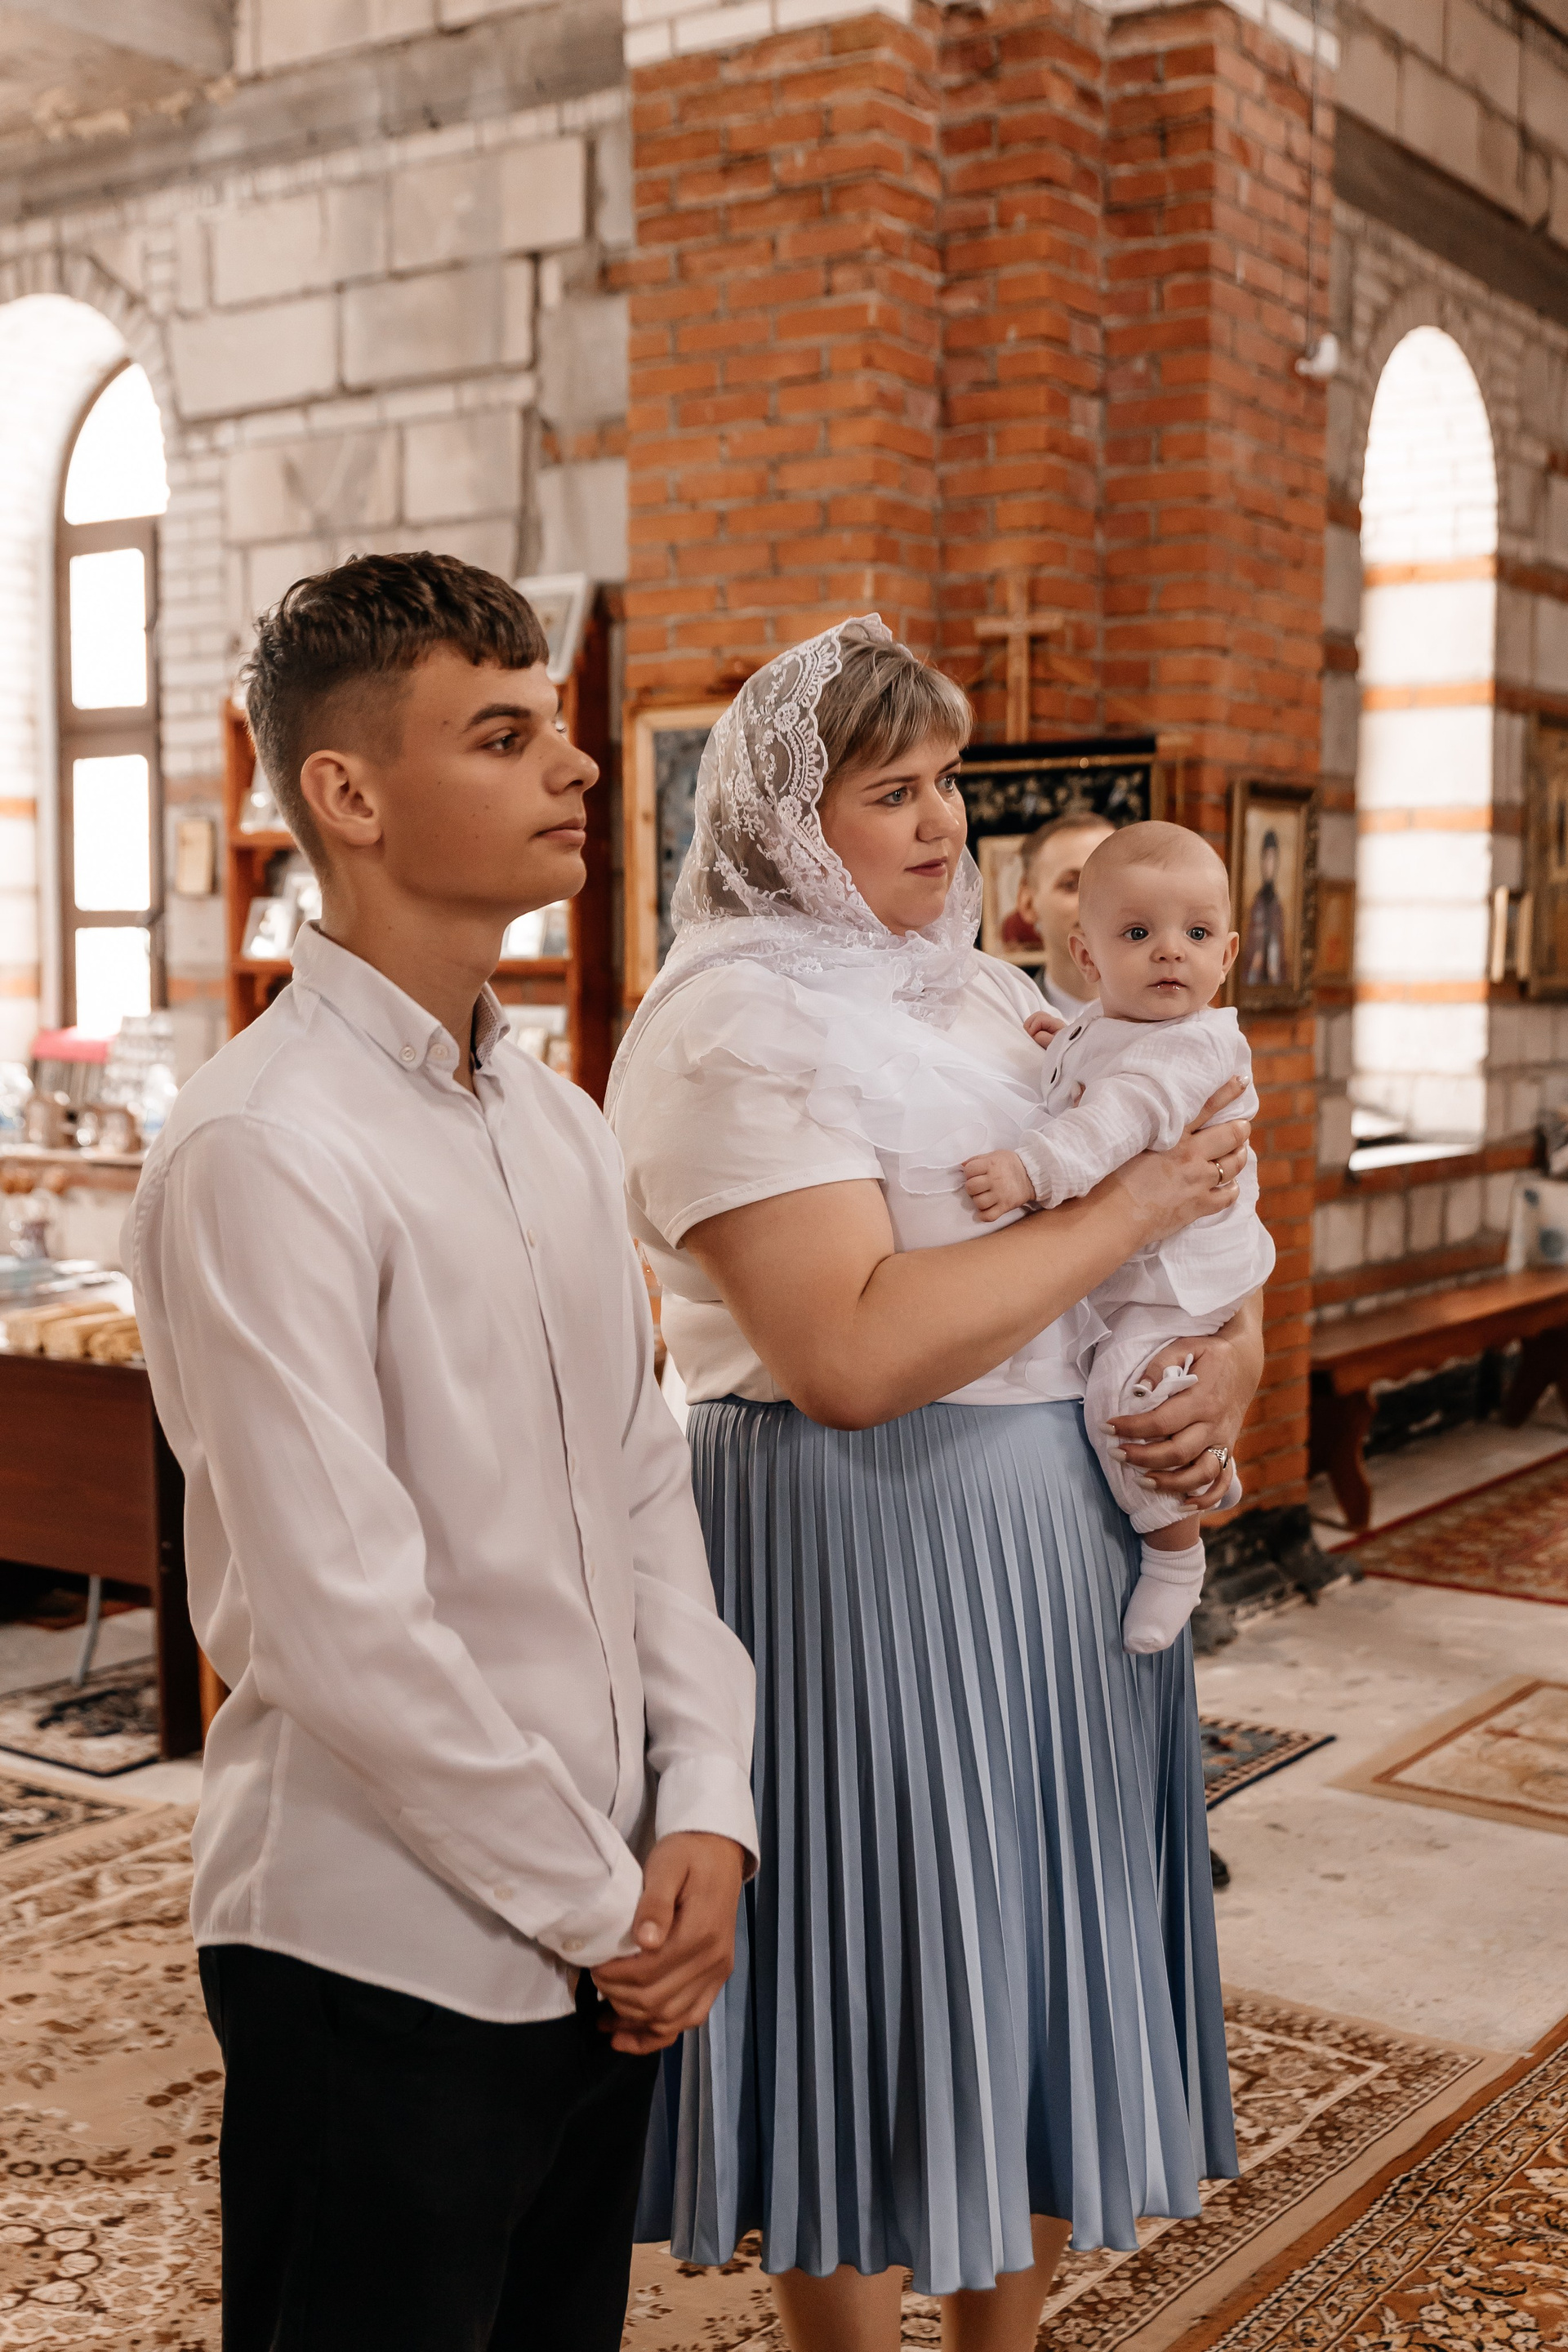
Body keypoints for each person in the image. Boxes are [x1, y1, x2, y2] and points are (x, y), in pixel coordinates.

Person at [126, 552, 759, 2352]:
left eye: (551, 723)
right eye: (501, 735)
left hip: (604, 1920)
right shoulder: (264, 1148)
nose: (575, 765)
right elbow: (338, 1625)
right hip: (379, 1947)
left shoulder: (558, 1122)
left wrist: (705, 1805)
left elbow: (641, 1484)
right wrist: (603, 1904)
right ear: (348, 794)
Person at [608, 617, 1263, 2352]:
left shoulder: (972, 985)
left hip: (1058, 1533)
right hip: (856, 1533)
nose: (938, 821)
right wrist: (1128, 1213)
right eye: (887, 790)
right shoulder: (729, 1024)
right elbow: (848, 1353)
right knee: (884, 1967)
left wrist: (1226, 1376)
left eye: (945, 782)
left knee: (1032, 1953)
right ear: (780, 823)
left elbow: (1204, 1197)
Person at [962, 822, 1276, 1655]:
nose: (1170, 951)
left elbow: (1115, 1120)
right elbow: (1095, 1063)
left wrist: (1029, 1171)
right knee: (1143, 1392)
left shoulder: (1189, 1046)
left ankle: (1177, 1559)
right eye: (1139, 934)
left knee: (1121, 1398)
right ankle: (1199, 1490)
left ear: (1228, 953)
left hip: (1169, 1283)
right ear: (1089, 955)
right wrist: (1061, 1047)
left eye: (1197, 934)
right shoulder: (1114, 1024)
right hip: (1139, 1269)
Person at [1013, 808, 1113, 1013]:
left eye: (1112, 882)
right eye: (1071, 884)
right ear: (1028, 902)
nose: (1097, 900)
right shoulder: (1005, 1020)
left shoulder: (1174, 1019)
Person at [1241, 827, 1288, 987]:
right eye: (1267, 858)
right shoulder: (1257, 903)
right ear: (1262, 861)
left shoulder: (1277, 905)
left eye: (1273, 859)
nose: (1270, 865)